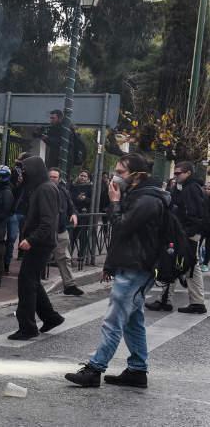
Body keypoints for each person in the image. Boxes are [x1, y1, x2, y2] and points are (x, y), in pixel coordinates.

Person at [65, 153, 167, 388]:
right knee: (133, 321)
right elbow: (121, 232)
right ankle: (137, 370)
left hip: (136, 267)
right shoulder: (139, 195)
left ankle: (94, 369)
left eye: (121, 172)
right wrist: (110, 265)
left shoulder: (148, 200)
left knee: (113, 320)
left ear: (137, 175)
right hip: (132, 264)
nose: (116, 176)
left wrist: (114, 201)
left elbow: (121, 227)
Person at [9, 156, 64, 340]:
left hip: (40, 243)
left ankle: (28, 327)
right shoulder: (41, 188)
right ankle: (51, 317)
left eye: (25, 172)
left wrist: (31, 239)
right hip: (40, 241)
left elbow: (48, 222)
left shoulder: (46, 189)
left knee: (26, 284)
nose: (23, 175)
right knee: (31, 281)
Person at [145, 161, 207, 314]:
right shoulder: (184, 188)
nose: (176, 176)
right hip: (182, 232)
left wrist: (186, 233)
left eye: (178, 173)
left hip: (186, 234)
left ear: (188, 173)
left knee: (190, 266)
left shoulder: (191, 188)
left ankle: (196, 302)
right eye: (175, 173)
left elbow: (195, 214)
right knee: (173, 264)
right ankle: (166, 300)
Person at [49, 168, 85, 296]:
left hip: (60, 229)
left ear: (59, 179)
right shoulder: (42, 190)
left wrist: (74, 214)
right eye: (51, 176)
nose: (52, 179)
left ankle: (69, 285)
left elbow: (71, 206)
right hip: (46, 230)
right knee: (39, 259)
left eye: (55, 177)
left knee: (65, 258)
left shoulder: (63, 191)